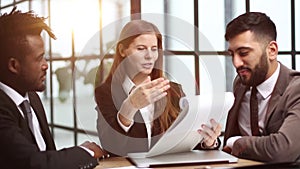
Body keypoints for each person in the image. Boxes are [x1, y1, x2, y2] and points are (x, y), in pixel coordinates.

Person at [94, 19, 222, 156]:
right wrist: (130, 107)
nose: (149, 56)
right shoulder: (106, 92)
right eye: (141, 49)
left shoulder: (174, 91)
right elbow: (111, 146)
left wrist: (208, 141)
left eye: (154, 49)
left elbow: (187, 141)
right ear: (122, 50)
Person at [0, 7, 107, 169]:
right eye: (39, 58)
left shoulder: (31, 98)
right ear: (14, 65)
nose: (46, 66)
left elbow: (48, 153)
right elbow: (34, 164)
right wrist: (86, 151)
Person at [223, 12, 300, 162]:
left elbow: (282, 149)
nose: (236, 63)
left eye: (243, 53)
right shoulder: (241, 83)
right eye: (232, 54)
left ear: (271, 51)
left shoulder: (296, 89)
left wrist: (235, 142)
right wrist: (212, 142)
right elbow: (227, 144)